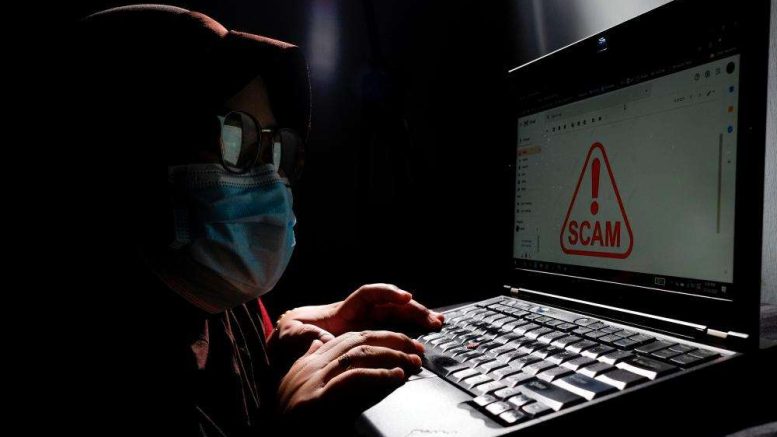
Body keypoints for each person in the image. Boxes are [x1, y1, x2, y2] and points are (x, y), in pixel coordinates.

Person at [66, 4, 444, 435]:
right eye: (234, 140)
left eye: (274, 149)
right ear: (124, 151)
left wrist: (276, 349)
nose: (268, 178)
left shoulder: (211, 295)